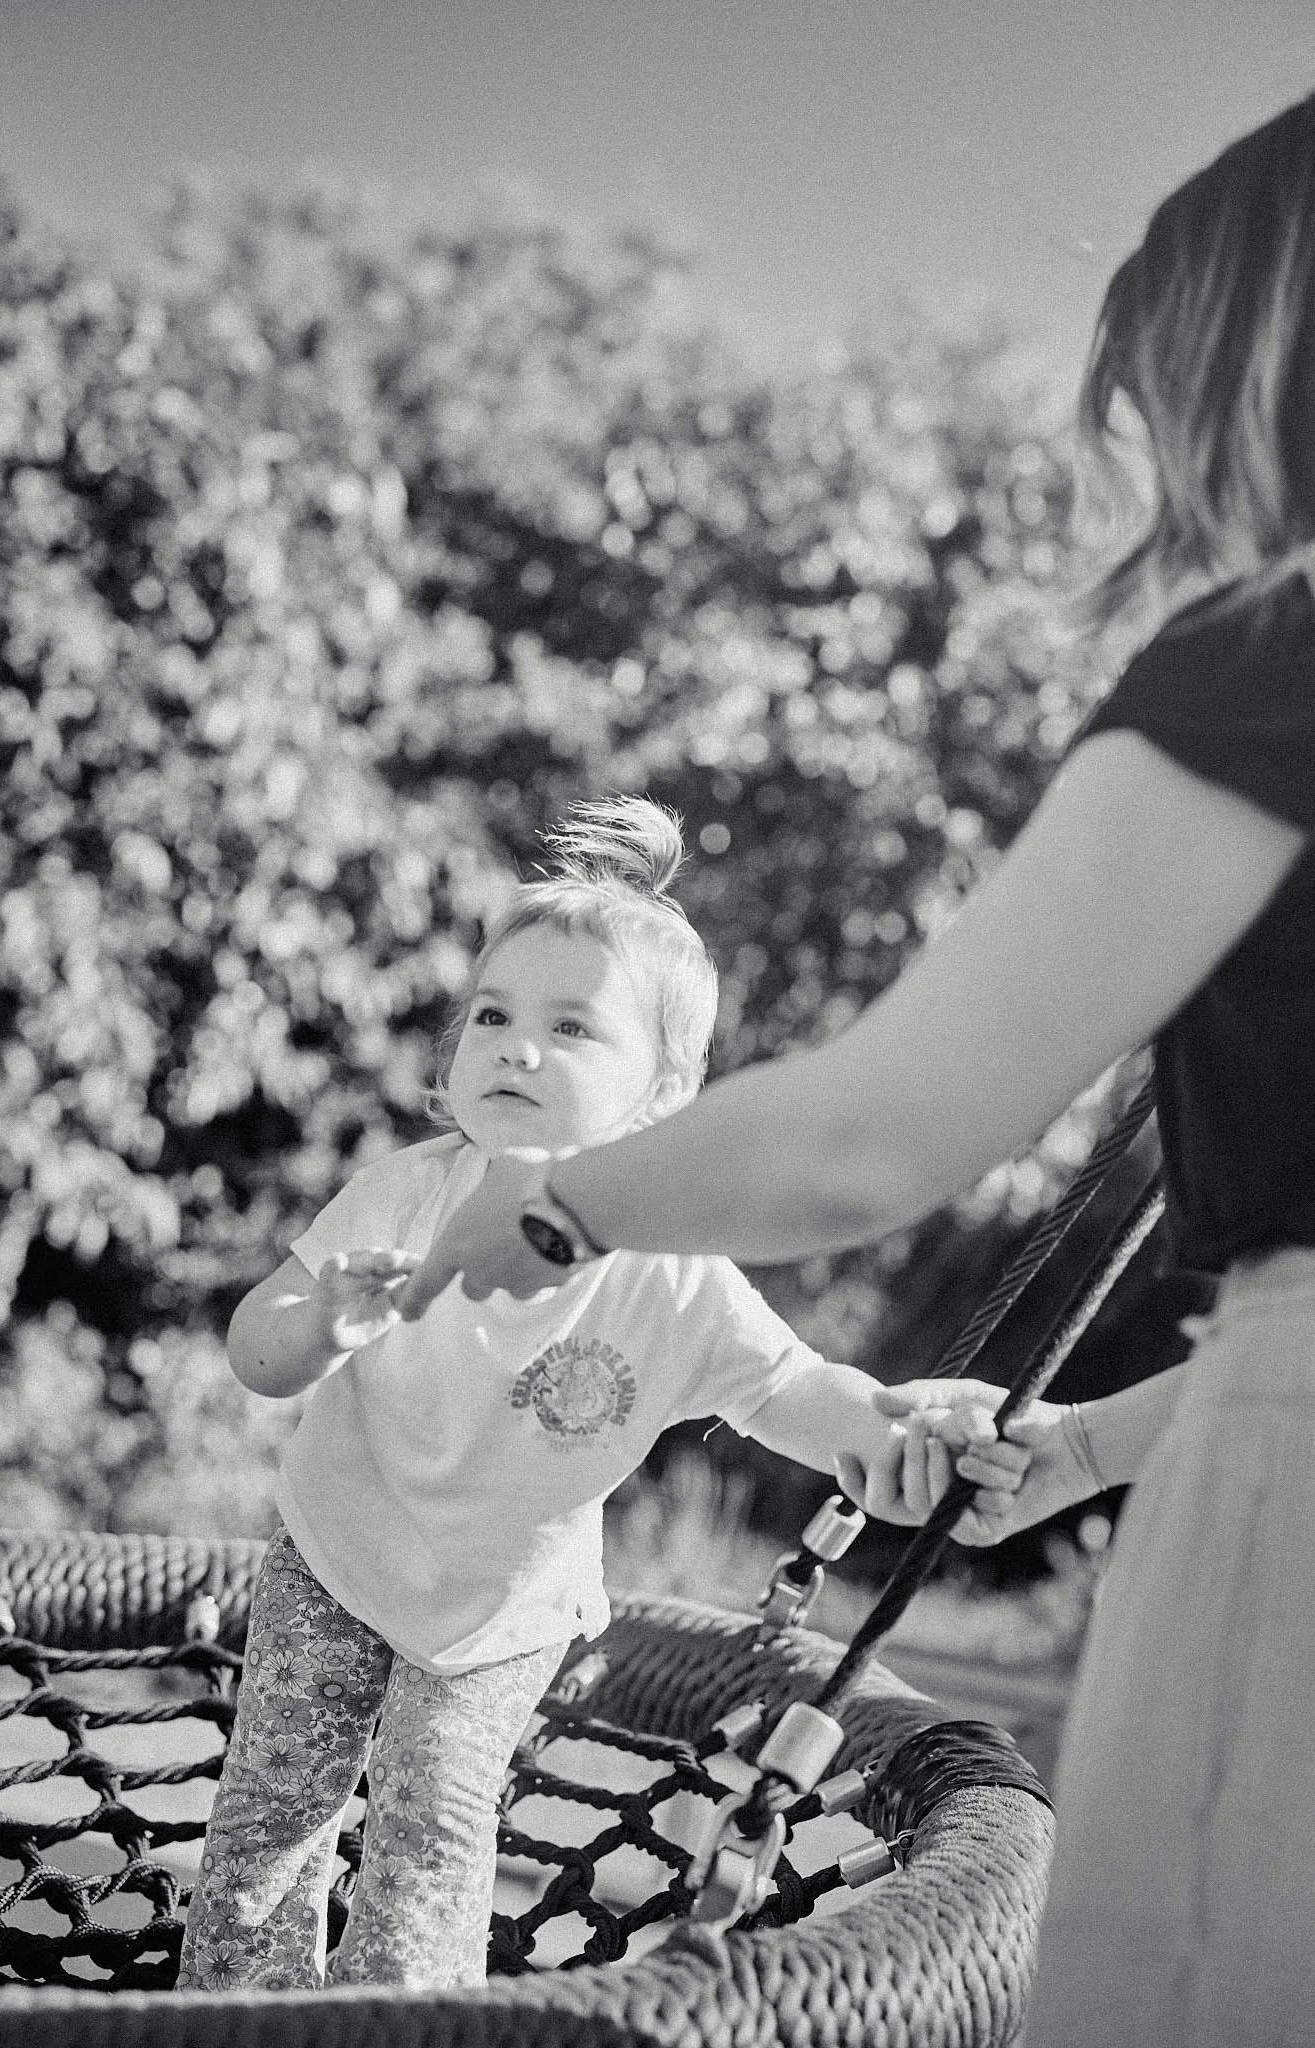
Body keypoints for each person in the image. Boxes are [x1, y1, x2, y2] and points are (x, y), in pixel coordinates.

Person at [398, 94, 1315, 2047]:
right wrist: (1091, 1444)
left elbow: (873, 1132)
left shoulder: (1272, 656)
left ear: (1244, 369)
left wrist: (556, 1207)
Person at [176, 795, 1016, 1996]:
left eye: (570, 1026)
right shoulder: (406, 1197)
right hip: (337, 1551)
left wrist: (891, 1420)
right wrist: (319, 1325)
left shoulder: (671, 1271)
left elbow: (787, 1385)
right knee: (276, 1802)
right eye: (492, 1015)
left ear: (663, 1095)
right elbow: (257, 1354)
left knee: (430, 1832)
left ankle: (394, 2022)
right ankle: (231, 2011)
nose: (515, 1047)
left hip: (501, 1614)